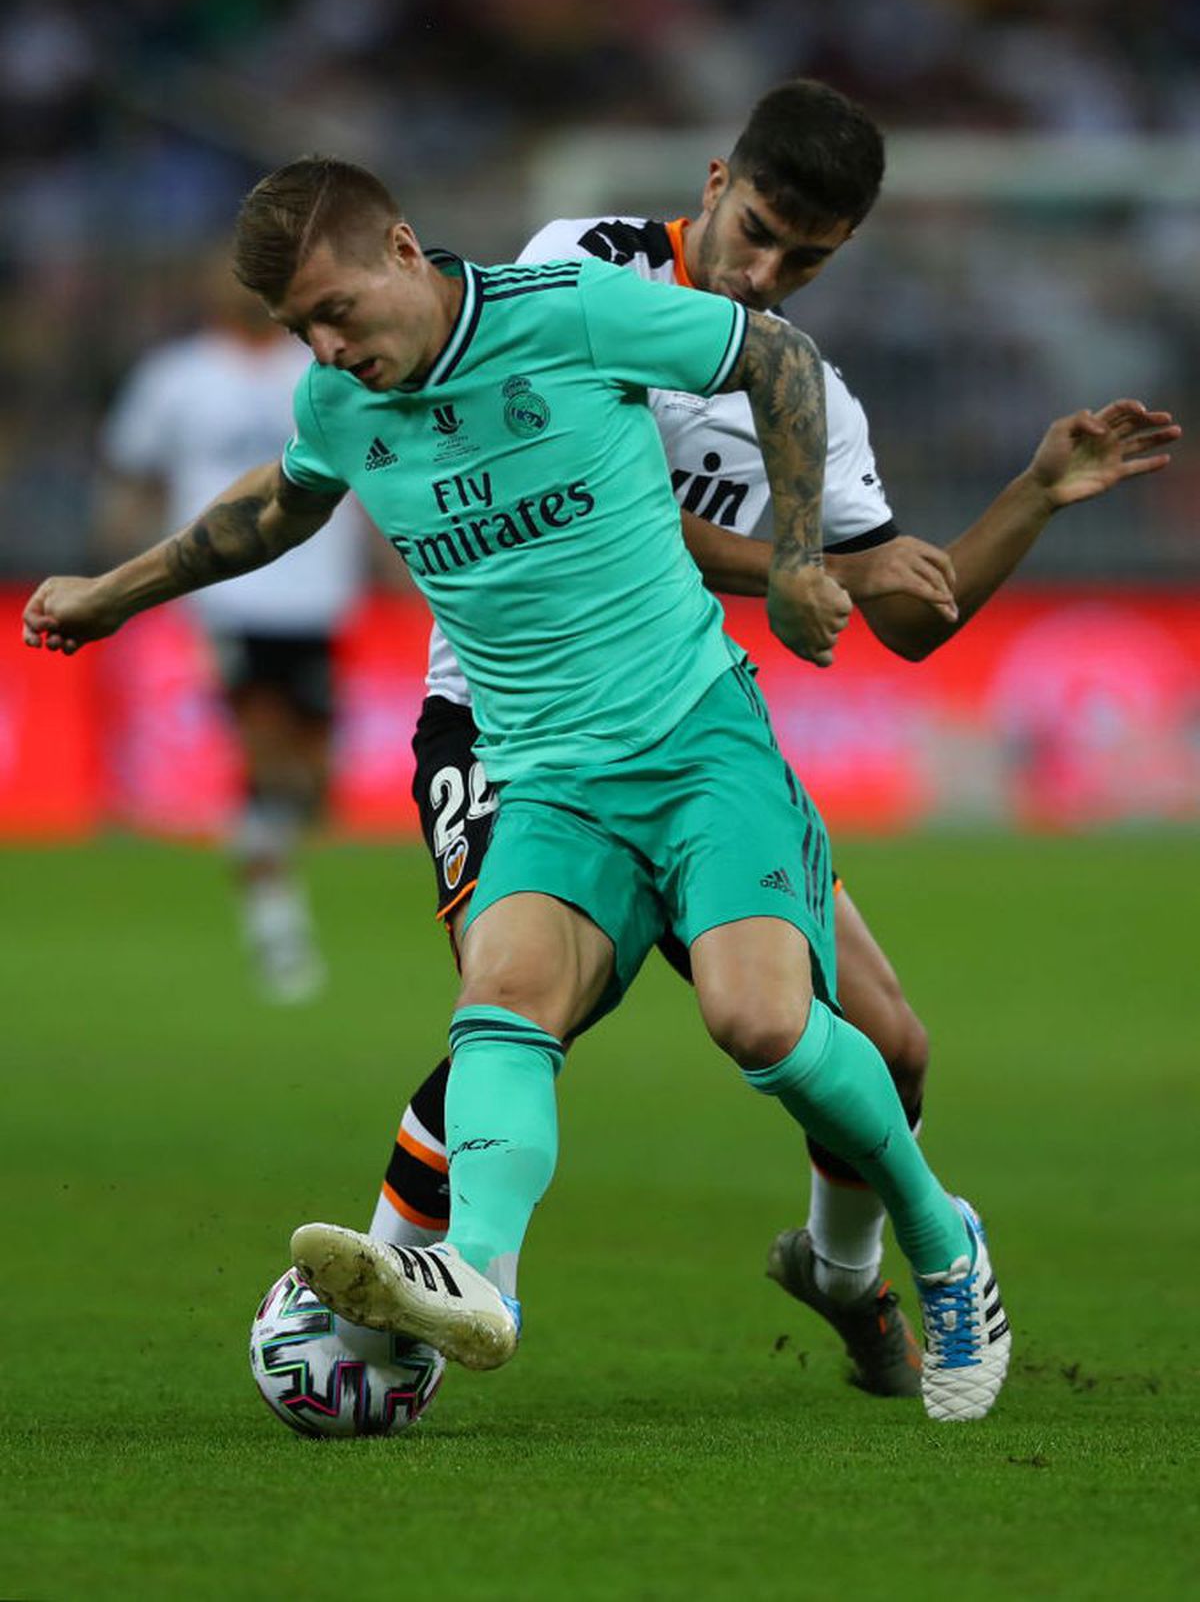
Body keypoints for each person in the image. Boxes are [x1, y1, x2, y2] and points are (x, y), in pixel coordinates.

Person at [25, 153, 1014, 1423]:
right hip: (544, 772)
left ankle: (944, 1243)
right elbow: (274, 508)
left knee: (758, 1021)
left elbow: (776, 361)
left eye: (337, 310)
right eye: (297, 331)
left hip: (697, 737)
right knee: (502, 1003)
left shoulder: (571, 305)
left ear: (402, 249)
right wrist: (112, 593)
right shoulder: (339, 403)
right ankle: (475, 1276)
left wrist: (804, 558)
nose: (327, 347)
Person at [368, 80, 1181, 1397]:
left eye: (807, 255)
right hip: (504, 719)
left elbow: (913, 618)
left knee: (891, 1042)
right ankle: (395, 1297)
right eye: (757, 228)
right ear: (711, 181)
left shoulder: (809, 404)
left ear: (841, 252)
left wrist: (1034, 495)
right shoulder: (584, 268)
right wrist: (788, 562)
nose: (766, 268)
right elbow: (572, 505)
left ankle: (841, 1270)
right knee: (515, 999)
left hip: (681, 732)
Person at [97, 254, 368, 1002]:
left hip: (317, 593)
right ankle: (275, 924)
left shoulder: (320, 369)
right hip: (228, 596)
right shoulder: (177, 376)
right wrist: (130, 574)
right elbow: (133, 470)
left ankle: (269, 876)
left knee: (311, 776)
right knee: (264, 751)